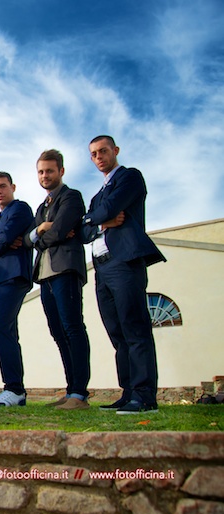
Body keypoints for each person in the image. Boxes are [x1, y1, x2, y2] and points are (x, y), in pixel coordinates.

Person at [83, 136, 165, 414]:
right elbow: (83, 231)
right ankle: (128, 392)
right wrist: (100, 222)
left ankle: (144, 396)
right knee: (117, 333)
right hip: (101, 266)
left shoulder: (130, 177)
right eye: (94, 154)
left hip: (123, 262)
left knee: (135, 328)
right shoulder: (96, 195)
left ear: (115, 151)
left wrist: (94, 218)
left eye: (103, 151)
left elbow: (108, 210)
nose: (99, 157)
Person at [25, 150, 91, 411]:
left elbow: (61, 230)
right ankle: (71, 389)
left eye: (50, 171)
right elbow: (29, 238)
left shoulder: (71, 197)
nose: (45, 175)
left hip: (65, 270)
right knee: (58, 332)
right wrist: (42, 229)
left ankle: (80, 393)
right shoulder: (42, 208)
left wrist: (43, 236)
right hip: (44, 276)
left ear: (61, 171)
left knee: (72, 327)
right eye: (41, 172)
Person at [0, 172, 34, 407]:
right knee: (6, 331)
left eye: (2, 186)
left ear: (13, 187)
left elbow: (6, 237)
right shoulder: (1, 218)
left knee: (2, 327)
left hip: (13, 276)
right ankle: (14, 390)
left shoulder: (20, 209)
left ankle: (14, 388)